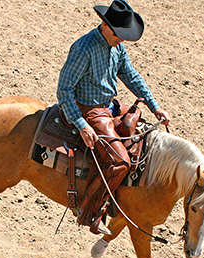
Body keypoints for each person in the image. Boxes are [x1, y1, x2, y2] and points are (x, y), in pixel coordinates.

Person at [57, 0, 171, 235]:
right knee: (120, 162)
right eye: (121, 34)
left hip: (110, 105)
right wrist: (81, 125)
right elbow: (64, 90)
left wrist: (154, 106)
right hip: (89, 109)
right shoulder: (84, 49)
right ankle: (89, 210)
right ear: (106, 25)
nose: (123, 39)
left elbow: (130, 75)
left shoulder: (117, 46)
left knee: (139, 134)